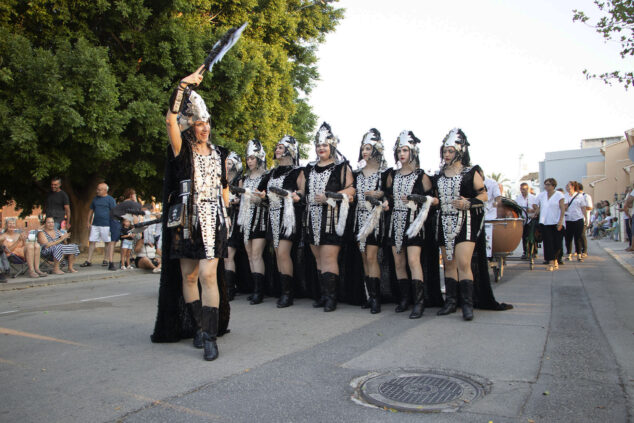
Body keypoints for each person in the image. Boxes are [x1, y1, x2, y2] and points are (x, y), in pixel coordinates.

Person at [151, 66, 230, 361]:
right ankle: (198, 327)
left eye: (206, 121)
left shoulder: (220, 153)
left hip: (215, 218)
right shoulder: (181, 148)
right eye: (198, 122)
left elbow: (224, 186)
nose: (204, 126)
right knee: (190, 276)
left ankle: (210, 336)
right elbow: (169, 119)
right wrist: (183, 85)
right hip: (186, 220)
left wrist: (227, 209)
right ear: (190, 125)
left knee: (209, 275)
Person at [299, 122, 355, 312]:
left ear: (331, 146)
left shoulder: (342, 167)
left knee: (329, 257)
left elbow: (351, 190)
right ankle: (324, 294)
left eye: (324, 145)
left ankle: (332, 298)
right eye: (318, 145)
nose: (321, 148)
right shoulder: (309, 168)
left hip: (331, 217)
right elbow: (301, 190)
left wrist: (330, 196)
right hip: (311, 217)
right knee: (318, 259)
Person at [435, 128, 487, 321]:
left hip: (465, 222)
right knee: (449, 263)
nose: (446, 155)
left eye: (450, 151)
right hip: (444, 221)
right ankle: (450, 302)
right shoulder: (440, 174)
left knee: (464, 262)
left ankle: (467, 304)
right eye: (444, 151)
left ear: (459, 151)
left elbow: (483, 195)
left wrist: (469, 203)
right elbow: (437, 198)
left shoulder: (471, 172)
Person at [384, 131, 436, 318]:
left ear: (413, 152)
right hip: (395, 222)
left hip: (414, 221)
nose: (402, 154)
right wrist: (384, 201)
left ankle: (419, 302)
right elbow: (387, 196)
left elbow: (434, 200)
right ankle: (405, 299)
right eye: (399, 150)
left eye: (405, 150)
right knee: (399, 262)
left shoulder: (422, 175)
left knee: (414, 261)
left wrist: (418, 198)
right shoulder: (391, 174)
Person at [257, 135, 304, 308]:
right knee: (277, 253)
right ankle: (283, 289)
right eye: (276, 147)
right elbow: (259, 192)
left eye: (280, 147)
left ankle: (288, 294)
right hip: (273, 214)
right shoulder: (271, 172)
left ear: (289, 150)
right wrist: (260, 195)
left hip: (288, 215)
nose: (276, 150)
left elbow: (303, 191)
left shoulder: (298, 171)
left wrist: (296, 195)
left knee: (283, 252)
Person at [354, 129, 388, 314]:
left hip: (375, 218)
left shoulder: (384, 173)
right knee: (363, 257)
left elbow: (389, 193)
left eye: (368, 148)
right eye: (363, 148)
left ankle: (376, 298)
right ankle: (369, 295)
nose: (365, 152)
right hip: (359, 218)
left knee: (371, 256)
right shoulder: (357, 173)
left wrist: (380, 194)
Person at [237, 139, 268, 305]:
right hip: (246, 218)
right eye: (247, 158)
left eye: (252, 158)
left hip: (260, 218)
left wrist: (256, 198)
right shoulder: (245, 179)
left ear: (259, 158)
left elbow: (266, 199)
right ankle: (255, 288)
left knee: (257, 254)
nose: (249, 161)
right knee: (250, 255)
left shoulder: (266, 176)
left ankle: (259, 291)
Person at [81, 183, 117, 270]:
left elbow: (114, 211)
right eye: (97, 189)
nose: (97, 191)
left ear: (105, 190)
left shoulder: (110, 199)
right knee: (92, 241)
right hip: (95, 224)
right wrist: (88, 221)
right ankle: (89, 260)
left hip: (106, 224)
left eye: (99, 190)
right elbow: (91, 210)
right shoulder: (95, 199)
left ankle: (106, 259)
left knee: (107, 242)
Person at [534, 178, 565, 271]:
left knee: (557, 243)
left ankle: (555, 260)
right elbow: (537, 205)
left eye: (548, 184)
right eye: (545, 184)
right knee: (548, 243)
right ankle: (551, 262)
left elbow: (562, 208)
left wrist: (560, 221)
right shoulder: (542, 195)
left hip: (556, 221)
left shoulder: (559, 195)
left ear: (553, 186)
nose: (546, 186)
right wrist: (536, 212)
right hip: (545, 222)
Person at [224, 152, 243, 300]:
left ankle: (230, 288)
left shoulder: (239, 180)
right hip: (222, 219)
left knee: (229, 254)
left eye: (229, 163)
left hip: (234, 219)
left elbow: (243, 198)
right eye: (225, 163)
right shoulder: (221, 180)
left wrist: (235, 200)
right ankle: (225, 285)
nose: (226, 165)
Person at [563, 181, 586, 262]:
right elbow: (563, 207)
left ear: (573, 186)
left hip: (578, 218)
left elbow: (583, 207)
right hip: (568, 219)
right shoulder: (564, 196)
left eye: (568, 185)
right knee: (568, 238)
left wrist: (585, 218)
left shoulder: (580, 196)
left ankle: (579, 254)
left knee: (578, 237)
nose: (567, 187)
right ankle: (569, 254)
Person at [515, 182, 538, 259]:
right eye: (521, 189)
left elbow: (537, 209)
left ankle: (534, 252)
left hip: (531, 219)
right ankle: (525, 252)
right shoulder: (518, 198)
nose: (522, 191)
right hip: (523, 220)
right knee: (524, 236)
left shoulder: (533, 198)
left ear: (527, 189)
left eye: (524, 189)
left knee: (532, 236)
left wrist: (532, 210)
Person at [483, 176, 501, 259]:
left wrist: (496, 203)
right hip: (478, 214)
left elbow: (498, 197)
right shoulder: (473, 182)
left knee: (489, 236)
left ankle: (491, 255)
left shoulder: (492, 183)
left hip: (490, 214)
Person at [577, 183, 592, 257]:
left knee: (582, 234)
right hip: (576, 218)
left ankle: (584, 251)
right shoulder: (576, 197)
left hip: (583, 218)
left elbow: (590, 207)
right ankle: (578, 250)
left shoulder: (586, 196)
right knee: (577, 235)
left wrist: (580, 208)